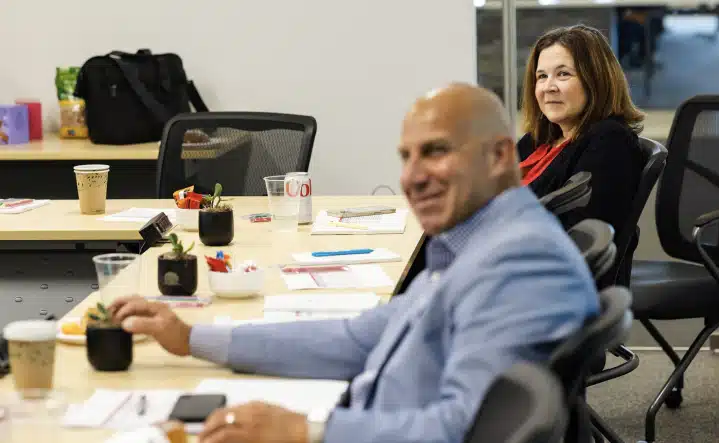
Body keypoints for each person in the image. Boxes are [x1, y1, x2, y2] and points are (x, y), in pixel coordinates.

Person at [110, 83, 600, 443]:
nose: (412, 177)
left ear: (498, 157)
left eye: (435, 152)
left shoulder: (519, 261)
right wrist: (192, 337)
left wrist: (307, 430)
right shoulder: (476, 241)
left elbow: (465, 430)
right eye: (406, 157)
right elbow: (359, 339)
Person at [517, 24, 646, 287]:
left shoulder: (610, 142)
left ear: (595, 80)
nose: (548, 87)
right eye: (541, 77)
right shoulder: (538, 142)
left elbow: (581, 239)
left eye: (562, 74)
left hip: (552, 287)